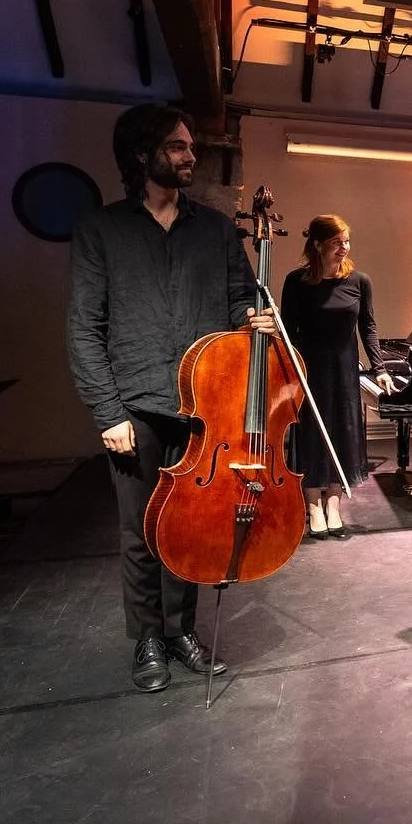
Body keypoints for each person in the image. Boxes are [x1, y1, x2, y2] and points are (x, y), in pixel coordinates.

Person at [67, 103, 277, 692]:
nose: (191, 156)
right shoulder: (100, 231)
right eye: (178, 147)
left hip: (204, 405)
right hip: (134, 403)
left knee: (191, 526)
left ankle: (182, 630)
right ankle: (148, 639)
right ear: (143, 154)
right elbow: (84, 329)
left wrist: (252, 319)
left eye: (190, 147)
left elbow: (238, 300)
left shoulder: (213, 229)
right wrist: (108, 413)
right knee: (139, 530)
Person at [279, 215, 395, 539]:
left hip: (346, 368)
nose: (344, 248)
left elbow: (368, 328)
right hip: (310, 368)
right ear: (317, 245)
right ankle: (313, 501)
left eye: (346, 241)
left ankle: (334, 500)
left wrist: (380, 368)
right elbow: (288, 331)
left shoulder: (360, 281)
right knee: (314, 433)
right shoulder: (296, 282)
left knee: (343, 431)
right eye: (336, 243)